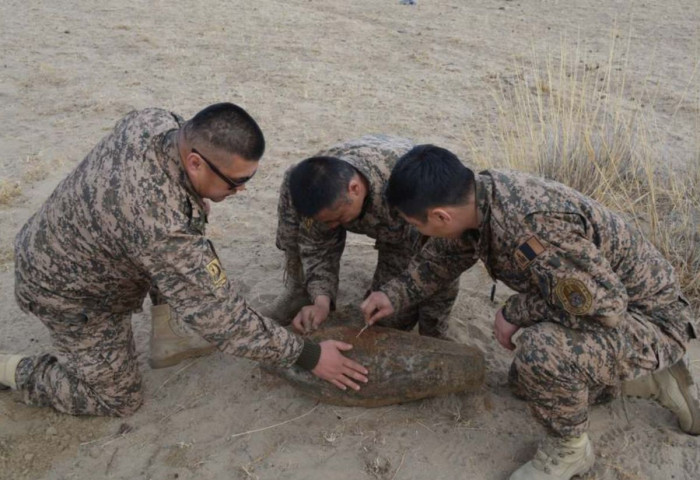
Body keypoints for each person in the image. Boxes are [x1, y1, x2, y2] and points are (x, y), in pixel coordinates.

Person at [0, 103, 368, 416]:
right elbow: (223, 321)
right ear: (195, 162)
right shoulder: (162, 226)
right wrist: (309, 355)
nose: (240, 191)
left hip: (63, 239)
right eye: (233, 182)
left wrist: (193, 201)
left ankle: (170, 336)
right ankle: (11, 368)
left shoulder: (154, 121)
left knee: (188, 234)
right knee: (115, 400)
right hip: (66, 291)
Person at [362, 144, 699, 480]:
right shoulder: (479, 199)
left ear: (440, 216)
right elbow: (444, 257)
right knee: (526, 386)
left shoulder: (530, 227)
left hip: (651, 320)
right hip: (613, 305)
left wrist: (514, 312)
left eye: (417, 226)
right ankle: (652, 381)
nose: (420, 234)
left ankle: (570, 451)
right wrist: (394, 294)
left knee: (542, 354)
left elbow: (604, 308)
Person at [259, 135, 459, 338]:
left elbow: (444, 261)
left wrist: (432, 327)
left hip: (399, 216)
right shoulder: (317, 189)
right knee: (296, 214)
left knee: (389, 320)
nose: (332, 227)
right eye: (326, 221)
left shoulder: (407, 196)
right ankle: (298, 290)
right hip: (354, 175)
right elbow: (318, 247)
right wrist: (321, 302)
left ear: (354, 189)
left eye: (338, 218)